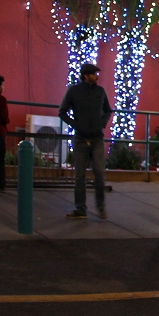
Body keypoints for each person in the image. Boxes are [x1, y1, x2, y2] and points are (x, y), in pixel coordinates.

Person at [59, 63, 112, 220]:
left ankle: (100, 206)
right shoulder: (74, 92)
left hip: (97, 139)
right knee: (79, 176)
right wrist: (77, 125)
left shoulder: (100, 92)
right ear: (86, 76)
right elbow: (62, 112)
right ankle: (80, 208)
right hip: (81, 138)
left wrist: (101, 123)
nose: (97, 77)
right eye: (94, 74)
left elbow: (108, 110)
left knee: (100, 174)